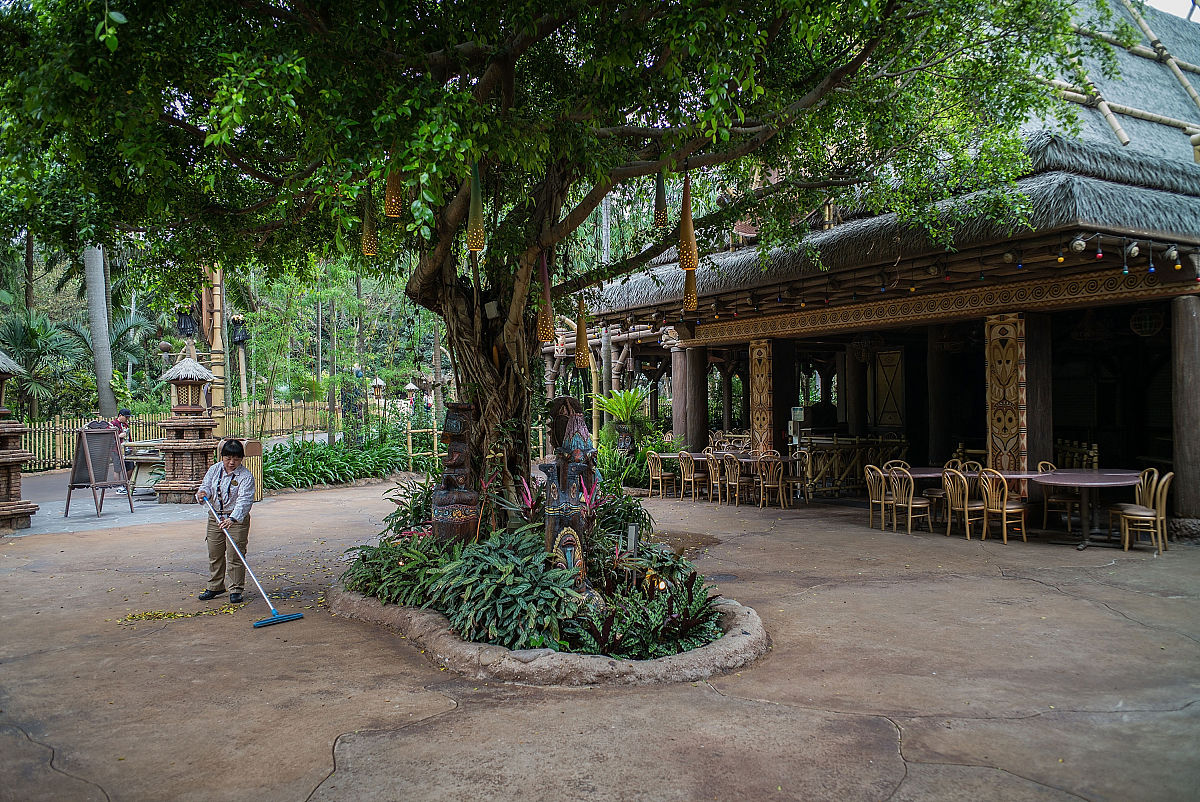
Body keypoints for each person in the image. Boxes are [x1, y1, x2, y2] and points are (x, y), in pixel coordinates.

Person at [195, 440, 256, 604]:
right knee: (215, 553)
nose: (231, 462)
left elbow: (244, 500)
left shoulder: (245, 476)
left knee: (235, 554)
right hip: (215, 516)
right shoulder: (214, 469)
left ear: (241, 459)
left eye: (236, 459)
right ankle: (215, 586)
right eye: (228, 458)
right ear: (222, 457)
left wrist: (233, 518)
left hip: (236, 519)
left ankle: (236, 589)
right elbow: (206, 487)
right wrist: (202, 494)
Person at [108, 409, 133, 494]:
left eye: (128, 417)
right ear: (120, 415)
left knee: (130, 466)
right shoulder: (112, 424)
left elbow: (129, 437)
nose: (127, 419)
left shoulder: (125, 425)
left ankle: (127, 485)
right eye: (126, 417)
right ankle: (118, 487)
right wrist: (119, 436)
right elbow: (109, 437)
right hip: (116, 449)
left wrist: (131, 446)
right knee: (117, 468)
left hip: (126, 449)